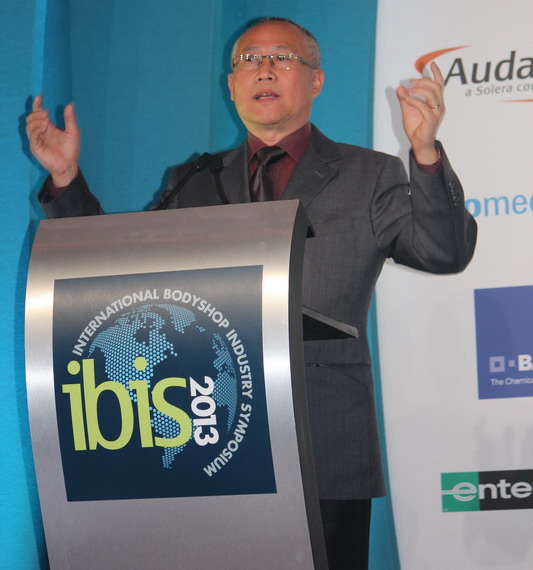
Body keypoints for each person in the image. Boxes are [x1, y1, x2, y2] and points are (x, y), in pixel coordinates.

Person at [26, 17, 477, 569]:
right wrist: (67, 178)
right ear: (232, 84)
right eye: (248, 60)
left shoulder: (370, 174)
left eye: (282, 57)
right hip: (207, 436)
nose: (263, 69)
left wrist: (425, 154)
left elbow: (444, 252)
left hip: (322, 440)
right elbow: (120, 274)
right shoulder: (193, 179)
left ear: (316, 81)